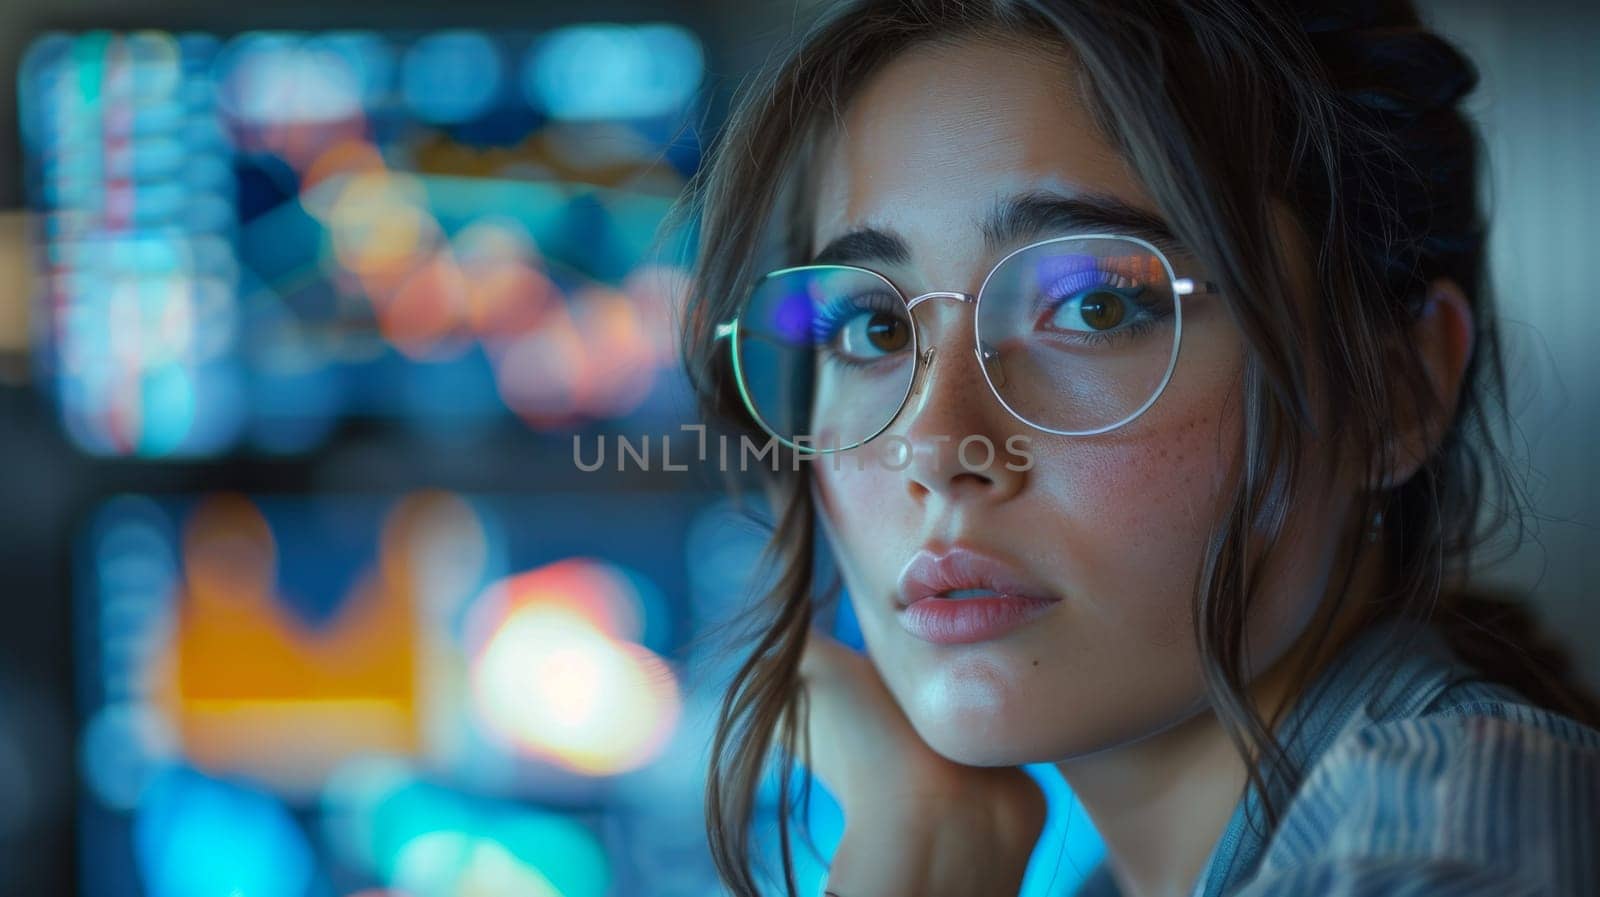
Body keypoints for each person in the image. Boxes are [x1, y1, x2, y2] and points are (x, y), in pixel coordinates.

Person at [670, 1, 1600, 895]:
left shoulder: (1453, 844)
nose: (937, 443)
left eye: (1094, 305)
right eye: (872, 327)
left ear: (1399, 391)